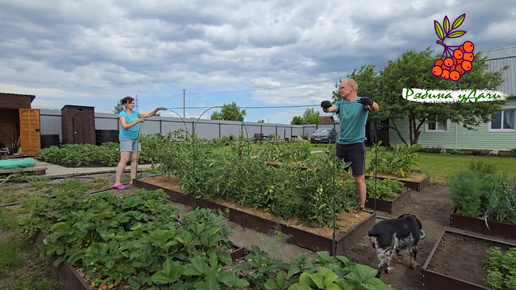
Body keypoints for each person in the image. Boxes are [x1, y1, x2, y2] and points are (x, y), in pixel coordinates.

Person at [320, 79, 379, 208]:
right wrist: (325, 107)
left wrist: (371, 102)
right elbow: (330, 109)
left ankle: (361, 207)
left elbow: (376, 109)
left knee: (358, 178)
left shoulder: (361, 103)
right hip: (341, 145)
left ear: (351, 87)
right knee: (341, 176)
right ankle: (343, 202)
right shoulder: (341, 104)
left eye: (342, 87)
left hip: (356, 145)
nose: (340, 90)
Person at [112, 96, 166, 189]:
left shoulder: (136, 113)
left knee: (135, 159)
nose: (133, 104)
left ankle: (133, 180)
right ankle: (117, 182)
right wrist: (138, 121)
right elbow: (124, 126)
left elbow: (149, 114)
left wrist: (156, 109)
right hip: (126, 139)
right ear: (125, 104)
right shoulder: (123, 114)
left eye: (133, 103)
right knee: (124, 160)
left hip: (135, 139)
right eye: (131, 103)